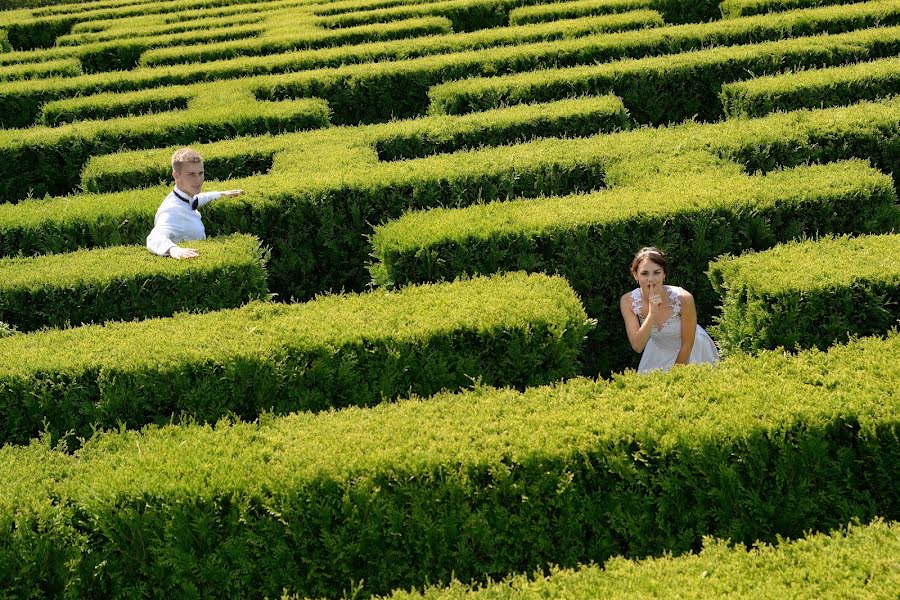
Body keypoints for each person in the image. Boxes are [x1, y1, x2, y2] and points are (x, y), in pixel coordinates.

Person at [619, 246, 720, 374]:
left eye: (657, 272)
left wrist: (673, 377)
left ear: (664, 274)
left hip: (692, 350)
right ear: (635, 275)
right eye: (644, 273)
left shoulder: (684, 298)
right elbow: (638, 346)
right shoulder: (627, 301)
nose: (651, 279)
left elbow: (687, 344)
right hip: (659, 350)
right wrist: (652, 314)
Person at [146, 147, 243, 259]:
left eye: (200, 173)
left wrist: (220, 194)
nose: (198, 180)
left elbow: (198, 199)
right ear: (176, 176)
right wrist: (173, 249)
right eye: (191, 174)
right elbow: (154, 237)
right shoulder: (172, 210)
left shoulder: (185, 197)